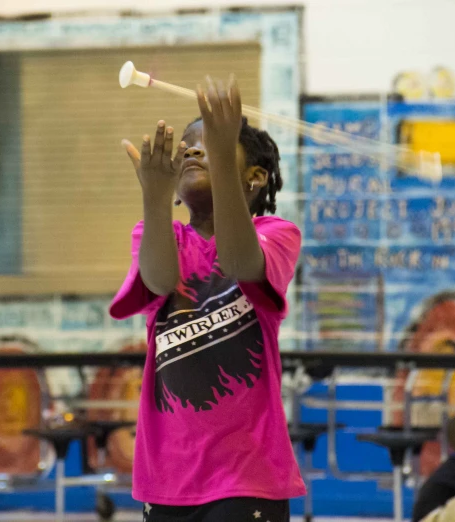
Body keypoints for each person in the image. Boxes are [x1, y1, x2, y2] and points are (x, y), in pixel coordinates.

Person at [109, 76, 304, 522]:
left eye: (210, 146)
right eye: (189, 147)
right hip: (168, 478)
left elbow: (238, 263)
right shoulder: (158, 235)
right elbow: (158, 282)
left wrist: (221, 145)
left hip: (247, 477)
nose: (194, 151)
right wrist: (154, 200)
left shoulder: (276, 234)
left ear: (254, 178)